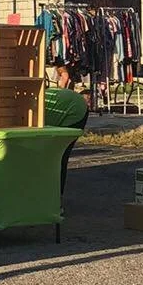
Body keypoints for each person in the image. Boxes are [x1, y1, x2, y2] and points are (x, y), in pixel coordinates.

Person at [44, 63, 89, 205]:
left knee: (60, 156)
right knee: (54, 157)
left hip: (75, 111)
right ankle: (53, 198)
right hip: (69, 105)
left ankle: (56, 200)